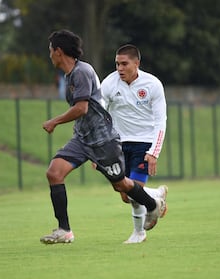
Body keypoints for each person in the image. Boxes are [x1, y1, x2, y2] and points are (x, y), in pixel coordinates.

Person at [40, 29, 167, 244]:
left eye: (50, 50)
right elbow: (100, 105)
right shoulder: (82, 77)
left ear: (59, 52)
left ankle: (151, 206)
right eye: (117, 64)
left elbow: (81, 108)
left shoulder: (82, 72)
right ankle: (64, 230)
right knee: (54, 173)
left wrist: (54, 121)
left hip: (105, 140)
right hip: (84, 138)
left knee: (123, 189)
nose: (119, 68)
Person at [101, 44, 168, 243]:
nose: (120, 68)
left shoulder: (153, 84)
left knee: (134, 190)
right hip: (118, 143)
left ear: (136, 63)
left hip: (144, 143)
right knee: (124, 193)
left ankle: (139, 233)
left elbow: (160, 120)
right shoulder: (109, 84)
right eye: (117, 64)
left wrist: (154, 151)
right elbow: (99, 115)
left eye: (124, 64)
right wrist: (99, 149)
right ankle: (156, 195)